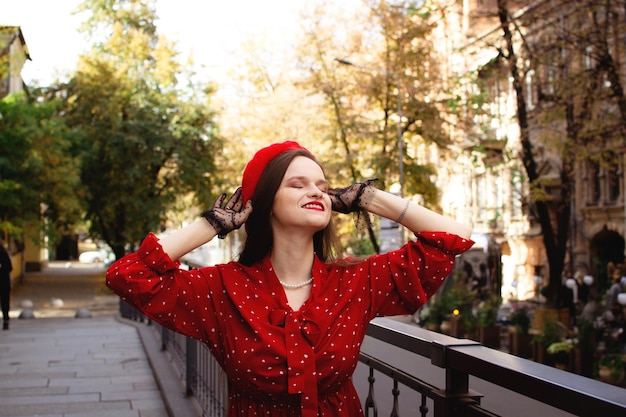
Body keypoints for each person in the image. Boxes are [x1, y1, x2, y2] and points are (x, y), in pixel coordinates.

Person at [106, 141, 473, 417]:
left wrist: (370, 198)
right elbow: (126, 276)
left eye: (322, 186)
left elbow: (454, 238)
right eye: (297, 184)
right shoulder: (220, 289)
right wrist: (211, 225)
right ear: (264, 204)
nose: (316, 191)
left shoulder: (357, 281)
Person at [0, 238, 13, 330]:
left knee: (4, 301)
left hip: (3, 282)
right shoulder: (4, 253)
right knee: (4, 302)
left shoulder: (3, 253)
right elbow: (10, 267)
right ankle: (6, 320)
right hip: (4, 282)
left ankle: (6, 319)